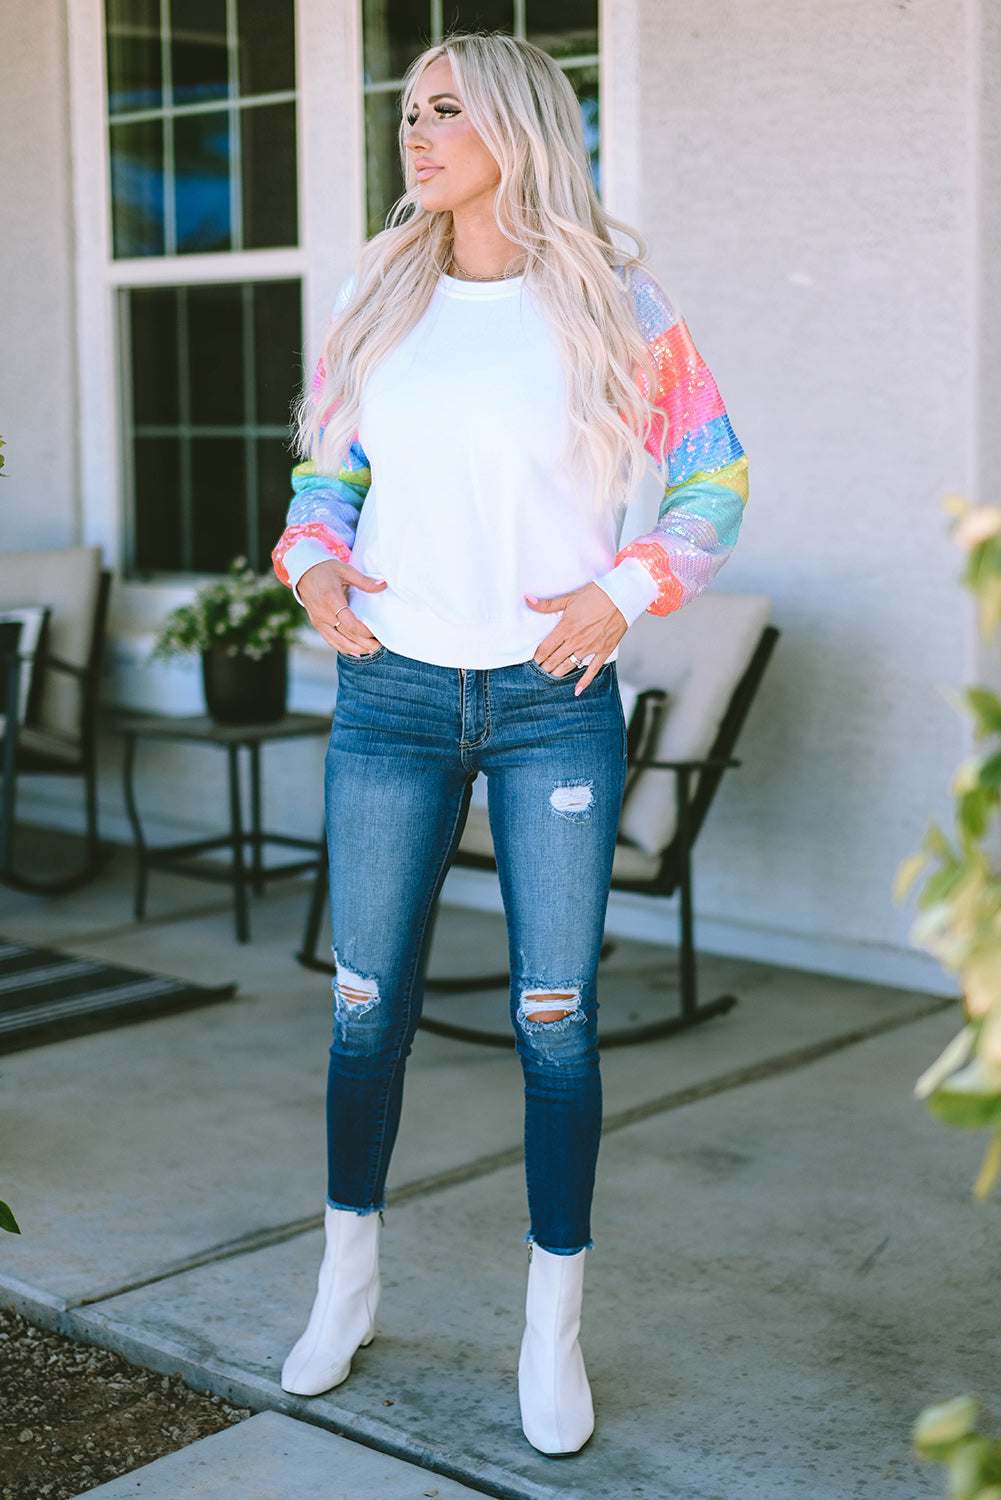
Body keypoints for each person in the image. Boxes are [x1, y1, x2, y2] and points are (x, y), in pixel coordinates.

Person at [271, 32, 747, 1457]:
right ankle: (344, 1288)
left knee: (553, 1027)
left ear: (520, 126)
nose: (414, 133)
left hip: (551, 698)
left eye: (446, 110)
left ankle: (552, 1333)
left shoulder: (612, 298)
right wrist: (311, 570)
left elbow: (713, 477)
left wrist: (626, 590)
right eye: (406, 110)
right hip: (394, 696)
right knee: (364, 1009)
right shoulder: (377, 287)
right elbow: (322, 477)